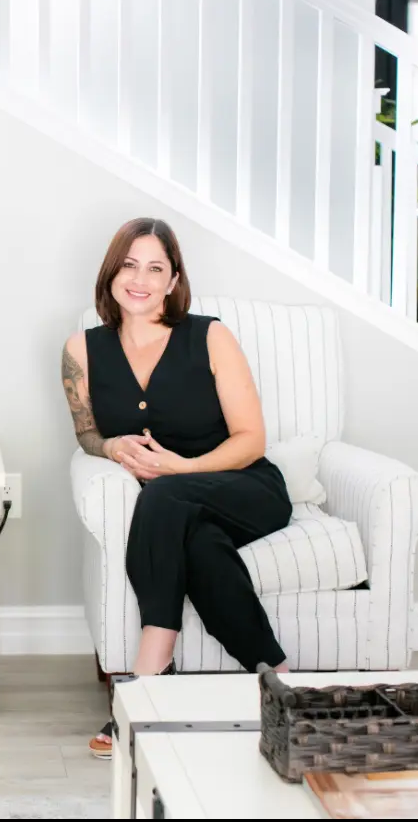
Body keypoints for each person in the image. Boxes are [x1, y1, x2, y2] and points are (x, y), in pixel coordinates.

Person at [60, 218, 293, 759]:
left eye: (155, 268)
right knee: (201, 549)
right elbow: (86, 433)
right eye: (129, 264)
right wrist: (112, 448)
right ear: (112, 272)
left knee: (163, 496)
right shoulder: (81, 350)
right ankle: (280, 680)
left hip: (245, 488)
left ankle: (145, 685)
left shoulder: (209, 335)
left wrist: (181, 471)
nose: (140, 278)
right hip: (182, 514)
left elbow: (251, 440)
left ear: (173, 280)